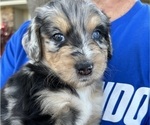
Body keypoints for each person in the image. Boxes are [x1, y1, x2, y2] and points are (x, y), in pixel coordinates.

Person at [0, 0, 149, 124]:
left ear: (108, 39)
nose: (85, 58)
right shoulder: (24, 38)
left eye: (96, 34)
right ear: (35, 43)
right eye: (58, 37)